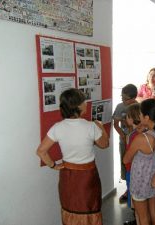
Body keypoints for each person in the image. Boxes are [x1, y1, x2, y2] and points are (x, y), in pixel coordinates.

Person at [36, 88, 109, 225]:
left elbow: (41, 151)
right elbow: (105, 144)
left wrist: (54, 165)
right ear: (78, 106)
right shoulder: (91, 126)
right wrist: (101, 127)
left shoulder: (57, 127)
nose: (86, 104)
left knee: (70, 210)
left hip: (68, 177)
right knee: (89, 210)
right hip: (88, 178)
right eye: (84, 101)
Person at [123, 99, 155, 225]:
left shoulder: (142, 138)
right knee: (154, 214)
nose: (139, 116)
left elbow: (126, 159)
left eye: (141, 114)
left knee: (143, 217)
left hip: (141, 180)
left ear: (146, 117)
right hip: (154, 178)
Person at [113, 84, 138, 203]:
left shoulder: (139, 107)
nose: (123, 100)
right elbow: (116, 124)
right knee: (125, 165)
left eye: (126, 98)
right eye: (122, 97)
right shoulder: (119, 107)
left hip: (137, 141)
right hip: (124, 141)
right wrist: (123, 136)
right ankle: (128, 189)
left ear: (134, 98)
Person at [123, 103, 142, 225]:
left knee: (136, 203)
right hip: (140, 170)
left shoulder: (133, 135)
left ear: (132, 117)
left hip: (132, 171)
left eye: (127, 116)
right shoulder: (143, 132)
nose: (125, 119)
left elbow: (127, 158)